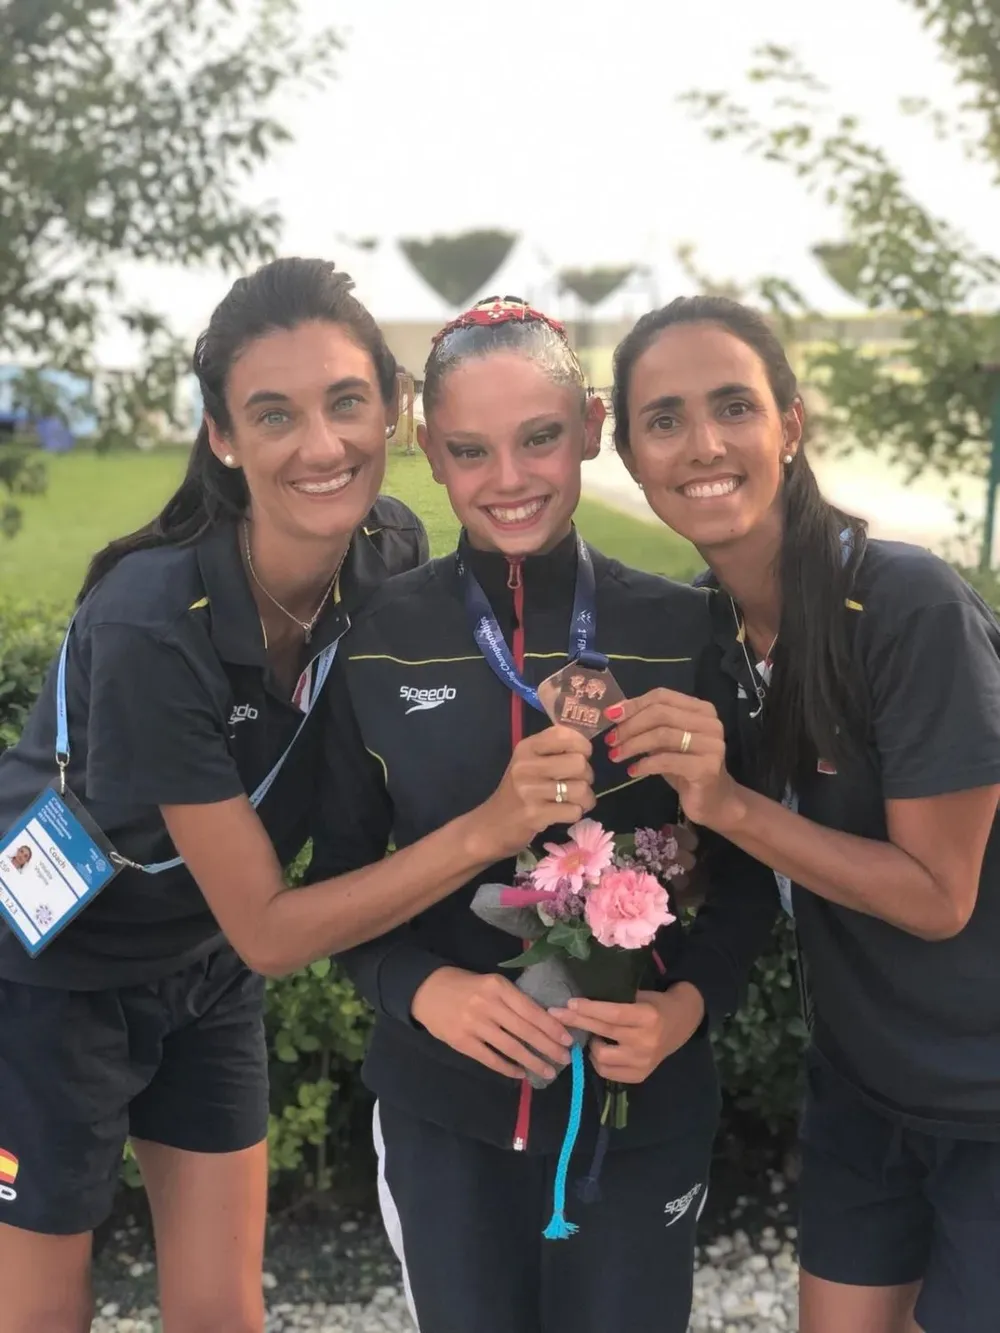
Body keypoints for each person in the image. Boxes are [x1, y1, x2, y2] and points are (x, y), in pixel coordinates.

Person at [0, 261, 591, 1333]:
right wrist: (488, 831)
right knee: (41, 1312)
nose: (321, 446)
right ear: (224, 438)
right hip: (47, 973)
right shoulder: (149, 624)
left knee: (224, 1312)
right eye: (274, 414)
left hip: (203, 965)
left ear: (393, 409)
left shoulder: (389, 554)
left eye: (345, 402)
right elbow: (274, 928)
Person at [308, 297, 777, 1333]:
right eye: (470, 450)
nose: (508, 478)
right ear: (426, 449)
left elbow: (746, 876)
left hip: (639, 1108)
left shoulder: (682, 626)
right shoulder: (376, 641)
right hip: (443, 1115)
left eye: (540, 440)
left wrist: (684, 1011)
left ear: (592, 427)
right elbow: (332, 888)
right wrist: (423, 990)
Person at [607, 294, 1000, 1333]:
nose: (703, 444)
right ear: (633, 459)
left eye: (733, 405)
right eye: (664, 420)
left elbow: (936, 897)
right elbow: (743, 860)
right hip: (865, 1089)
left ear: (791, 423)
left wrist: (727, 804)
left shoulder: (906, 607)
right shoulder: (711, 634)